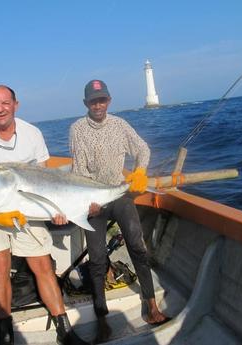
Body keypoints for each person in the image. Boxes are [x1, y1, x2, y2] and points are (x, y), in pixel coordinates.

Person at [0, 85, 87, 345]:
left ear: (15, 105)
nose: (0, 108)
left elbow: (45, 179)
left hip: (27, 210)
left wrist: (56, 209)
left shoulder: (32, 134)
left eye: (5, 103)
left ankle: (64, 329)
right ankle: (5, 336)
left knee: (42, 263)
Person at [69, 80, 170, 343]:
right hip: (93, 200)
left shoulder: (119, 125)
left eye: (102, 99)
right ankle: (101, 319)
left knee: (137, 245)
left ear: (109, 101)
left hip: (119, 194)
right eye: (93, 101)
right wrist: (87, 202)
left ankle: (151, 306)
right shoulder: (77, 129)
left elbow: (142, 149)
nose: (98, 105)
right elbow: (78, 172)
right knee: (98, 258)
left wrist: (139, 171)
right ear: (86, 104)